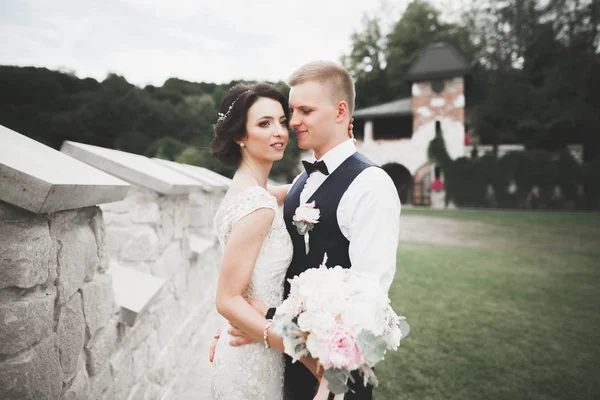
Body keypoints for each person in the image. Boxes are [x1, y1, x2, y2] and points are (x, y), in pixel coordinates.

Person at [211, 62, 401, 400]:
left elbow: (367, 302)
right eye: (291, 111)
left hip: (331, 373)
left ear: (341, 111)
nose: (293, 122)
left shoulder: (371, 185)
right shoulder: (302, 180)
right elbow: (245, 218)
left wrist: (269, 323)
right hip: (283, 363)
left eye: (304, 111)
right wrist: (236, 319)